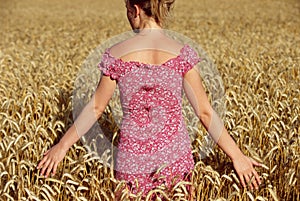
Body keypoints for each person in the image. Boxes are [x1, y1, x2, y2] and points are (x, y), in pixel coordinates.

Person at [37, 0, 262, 199]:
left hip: (132, 162)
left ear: (135, 10)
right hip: (176, 160)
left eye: (126, 9)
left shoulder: (116, 54)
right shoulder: (182, 53)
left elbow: (96, 107)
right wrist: (237, 156)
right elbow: (205, 112)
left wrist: (61, 146)